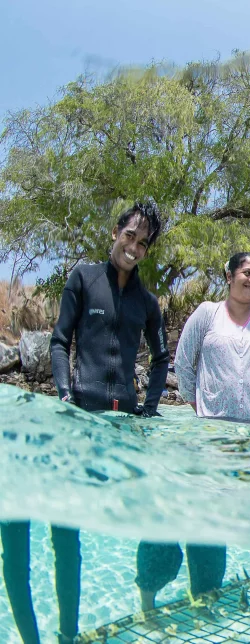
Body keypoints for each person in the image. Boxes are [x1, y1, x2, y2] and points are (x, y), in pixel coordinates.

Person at [0, 201, 170, 644]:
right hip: (78, 419)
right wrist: (64, 397)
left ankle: (69, 635)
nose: (133, 247)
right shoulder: (83, 278)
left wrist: (148, 410)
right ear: (115, 232)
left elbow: (160, 359)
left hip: (124, 427)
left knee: (146, 513)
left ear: (147, 251)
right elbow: (60, 343)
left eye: (142, 243)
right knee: (60, 533)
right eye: (129, 236)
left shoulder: (147, 302)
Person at [136, 252, 250, 611]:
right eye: (246, 272)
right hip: (207, 436)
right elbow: (183, 362)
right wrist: (200, 407)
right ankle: (149, 591)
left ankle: (204, 596)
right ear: (229, 275)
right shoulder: (206, 313)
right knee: (186, 509)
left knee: (217, 519)